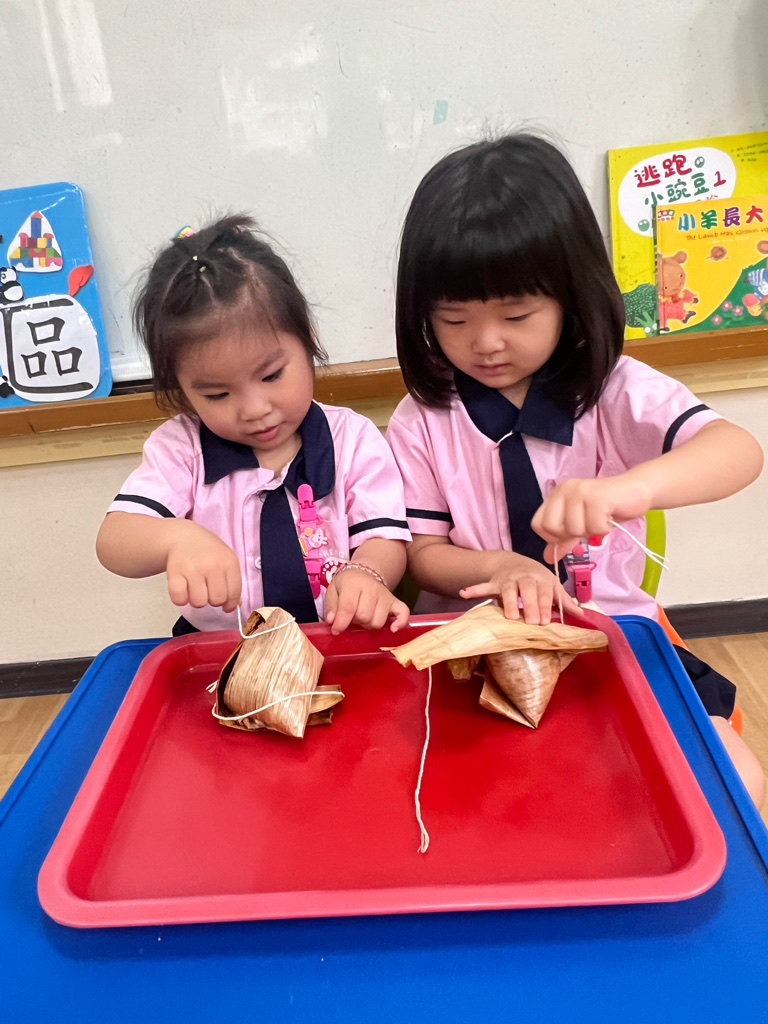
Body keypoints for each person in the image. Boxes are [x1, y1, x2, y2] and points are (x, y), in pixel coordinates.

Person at [386, 133, 765, 803]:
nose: (486, 342)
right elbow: (425, 556)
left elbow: (738, 451)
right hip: (473, 650)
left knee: (736, 784)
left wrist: (628, 488)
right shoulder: (423, 417)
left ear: (570, 294)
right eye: (453, 319)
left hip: (606, 636)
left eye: (517, 314)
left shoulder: (611, 389)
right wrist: (503, 567)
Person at [97, 215, 410, 636]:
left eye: (271, 375)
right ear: (182, 389)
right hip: (223, 649)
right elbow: (114, 541)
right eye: (217, 395)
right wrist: (176, 539)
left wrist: (367, 573)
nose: (254, 409)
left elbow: (384, 537)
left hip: (337, 637)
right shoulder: (182, 449)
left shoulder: (352, 439)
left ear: (308, 338)